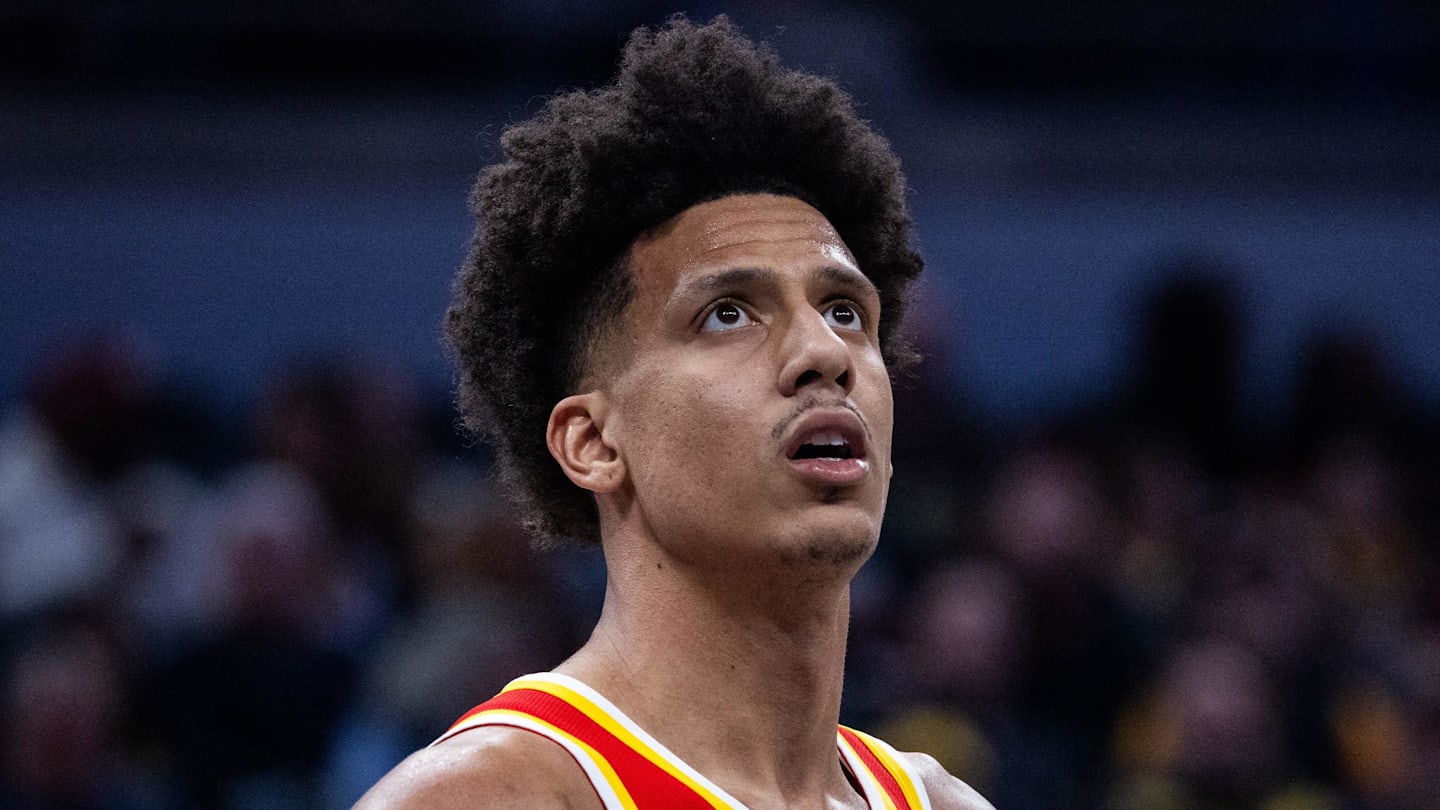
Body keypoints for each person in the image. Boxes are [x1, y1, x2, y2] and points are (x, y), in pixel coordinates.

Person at [357, 15, 994, 810]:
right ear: (592, 442)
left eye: (843, 311)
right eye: (729, 313)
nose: (824, 354)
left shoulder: (942, 802)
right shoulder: (492, 797)